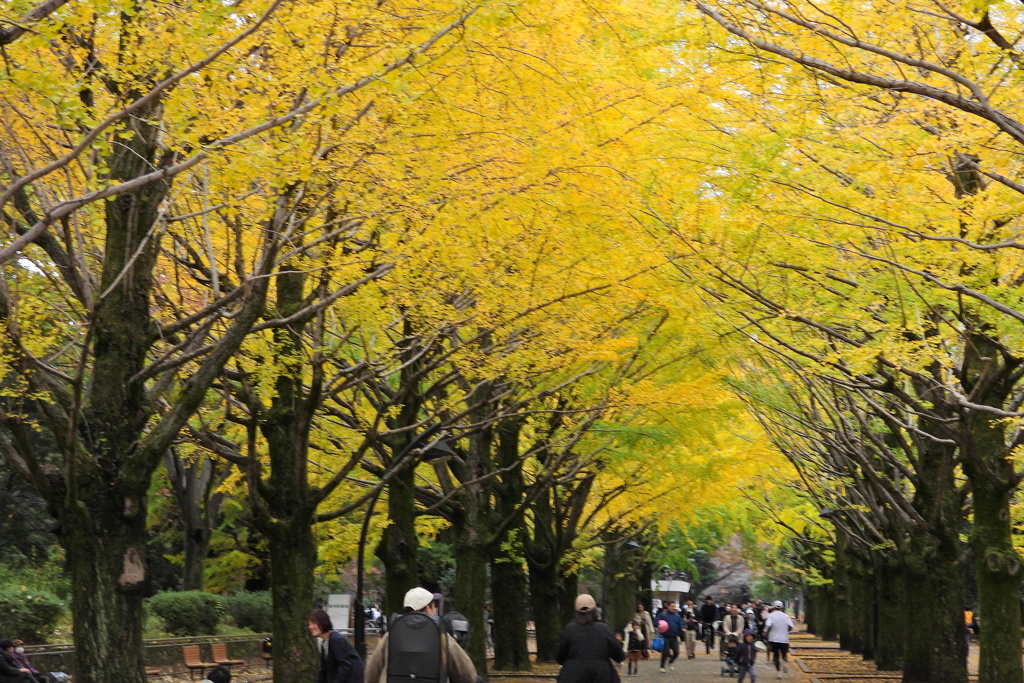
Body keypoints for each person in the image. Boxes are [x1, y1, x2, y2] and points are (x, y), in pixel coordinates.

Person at [366, 587, 478, 683]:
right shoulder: (442, 637)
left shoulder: (391, 636)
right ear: (428, 608)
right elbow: (467, 675)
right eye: (434, 606)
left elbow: (370, 674)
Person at [555, 594, 624, 683]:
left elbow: (560, 657)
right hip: (601, 675)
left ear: (576, 611)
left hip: (572, 675)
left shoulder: (569, 629)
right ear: (594, 610)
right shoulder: (603, 629)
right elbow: (618, 654)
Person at [308, 609, 365, 683]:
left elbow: (345, 665)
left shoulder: (336, 639)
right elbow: (324, 670)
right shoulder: (325, 643)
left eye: (313, 623)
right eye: (309, 624)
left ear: (323, 623)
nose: (310, 627)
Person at [763, 601, 794, 679]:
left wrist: (765, 632)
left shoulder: (771, 615)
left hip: (773, 638)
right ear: (782, 607)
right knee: (784, 653)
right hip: (784, 638)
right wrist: (786, 631)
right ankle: (784, 660)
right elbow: (790, 626)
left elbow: (768, 624)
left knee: (776, 655)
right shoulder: (786, 616)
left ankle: (779, 673)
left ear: (774, 607)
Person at [657, 601, 683, 672]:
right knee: (665, 652)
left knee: (676, 652)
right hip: (665, 636)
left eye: (674, 606)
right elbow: (656, 622)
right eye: (671, 606)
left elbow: (680, 624)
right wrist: (658, 625)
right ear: (668, 606)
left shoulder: (677, 616)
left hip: (674, 636)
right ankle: (662, 666)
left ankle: (670, 662)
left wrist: (682, 628)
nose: (673, 608)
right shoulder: (663, 615)